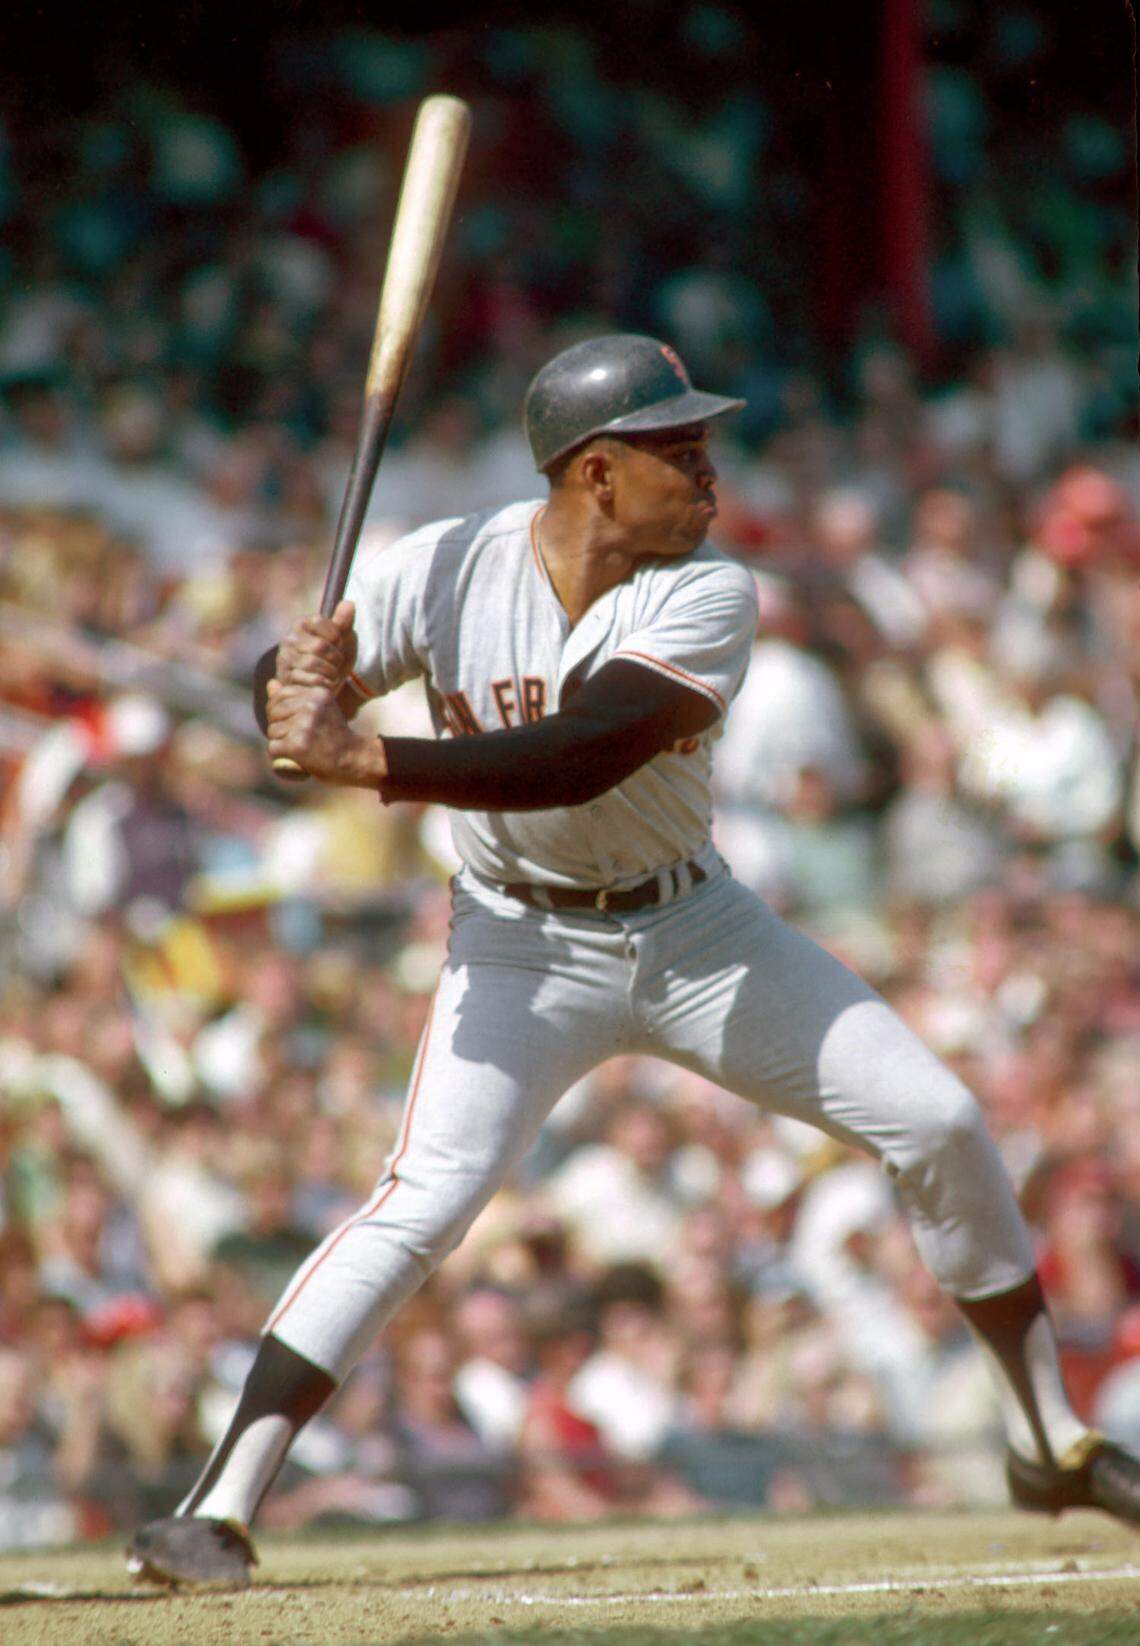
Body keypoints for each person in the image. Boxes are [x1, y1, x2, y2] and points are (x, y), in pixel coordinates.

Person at [127, 334, 1140, 1586]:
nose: (711, 475)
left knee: (937, 1119)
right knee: (422, 1201)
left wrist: (368, 758)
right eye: (682, 451)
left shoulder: (708, 590)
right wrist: (283, 683)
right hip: (517, 939)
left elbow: (581, 748)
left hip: (696, 930)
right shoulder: (438, 563)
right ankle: (217, 1504)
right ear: (596, 473)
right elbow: (275, 706)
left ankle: (1046, 1436)